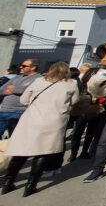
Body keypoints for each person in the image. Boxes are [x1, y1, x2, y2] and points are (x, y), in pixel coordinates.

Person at [2, 61, 79, 196]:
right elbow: (75, 101)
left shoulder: (39, 81)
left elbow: (24, 100)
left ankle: (8, 183)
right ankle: (30, 186)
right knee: (43, 152)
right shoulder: (71, 84)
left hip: (32, 119)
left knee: (21, 152)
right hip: (54, 121)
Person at [0, 59, 40, 139]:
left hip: (19, 111)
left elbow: (26, 90)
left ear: (33, 67)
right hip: (4, 110)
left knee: (15, 137)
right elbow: (1, 90)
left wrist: (13, 89)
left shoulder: (38, 79)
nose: (20, 67)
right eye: (21, 65)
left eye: (24, 66)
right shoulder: (16, 78)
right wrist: (17, 89)